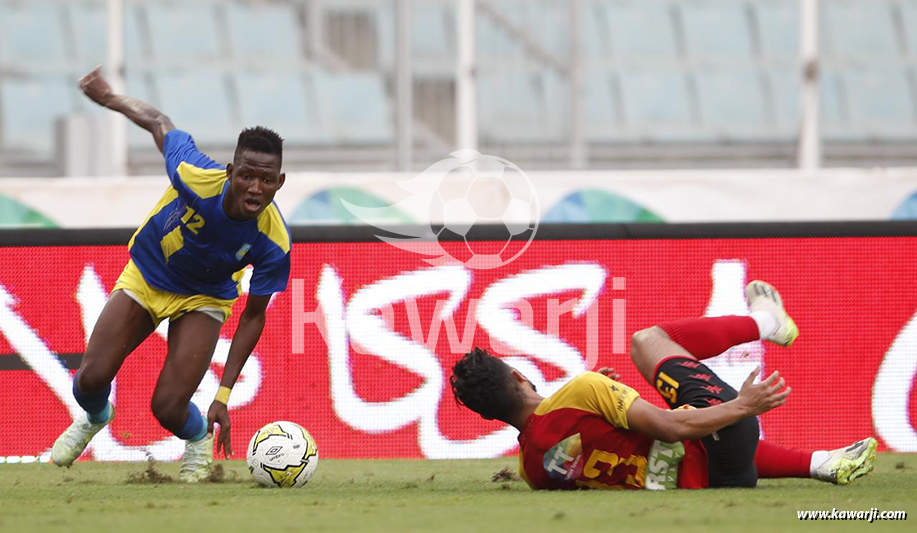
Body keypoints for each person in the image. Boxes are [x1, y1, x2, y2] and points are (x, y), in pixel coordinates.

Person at [50, 67, 291, 482]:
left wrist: (223, 395)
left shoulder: (274, 242)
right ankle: (96, 416)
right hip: (148, 275)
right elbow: (159, 122)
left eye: (266, 180)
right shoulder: (193, 174)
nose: (255, 188)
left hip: (205, 298)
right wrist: (110, 99)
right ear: (230, 172)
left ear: (279, 183)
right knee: (89, 380)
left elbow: (253, 317)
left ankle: (196, 438)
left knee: (167, 408)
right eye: (247, 175)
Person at [451, 280, 877, 490]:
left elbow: (596, 449)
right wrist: (745, 406)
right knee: (647, 342)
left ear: (487, 414)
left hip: (718, 477)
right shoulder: (580, 391)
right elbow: (671, 429)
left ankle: (820, 464)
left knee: (693, 438)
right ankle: (767, 322)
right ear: (518, 375)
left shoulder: (530, 470)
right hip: (724, 439)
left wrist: (602, 414)